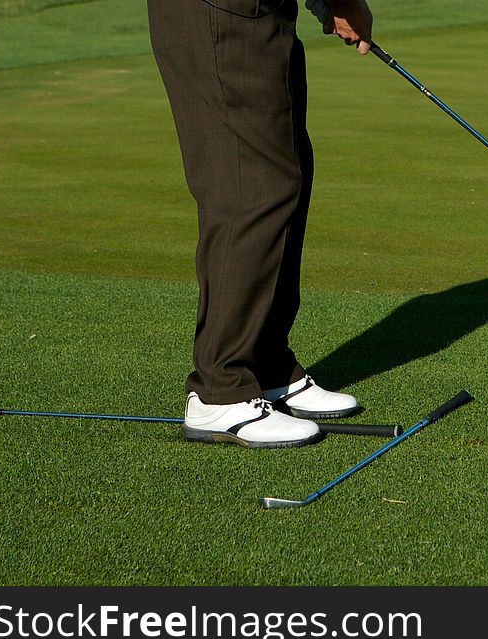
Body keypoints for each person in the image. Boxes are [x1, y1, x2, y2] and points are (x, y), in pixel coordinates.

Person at [147, 0, 373, 448]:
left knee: (287, 174)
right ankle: (220, 389)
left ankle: (264, 363)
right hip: (220, 11)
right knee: (250, 186)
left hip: (259, 11)